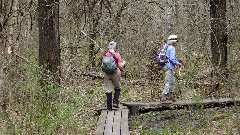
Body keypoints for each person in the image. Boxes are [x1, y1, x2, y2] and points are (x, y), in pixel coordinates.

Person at [102, 41, 126, 110]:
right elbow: (120, 66)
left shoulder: (105, 54)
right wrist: (124, 62)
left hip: (107, 74)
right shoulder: (117, 54)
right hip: (115, 73)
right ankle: (115, 102)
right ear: (115, 47)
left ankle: (109, 107)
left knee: (108, 90)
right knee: (117, 87)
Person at [161, 35, 182, 102]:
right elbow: (172, 59)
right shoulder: (172, 48)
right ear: (173, 42)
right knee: (168, 82)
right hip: (169, 67)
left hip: (165, 67)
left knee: (172, 81)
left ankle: (171, 96)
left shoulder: (167, 47)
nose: (176, 43)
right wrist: (178, 63)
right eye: (176, 42)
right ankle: (164, 97)